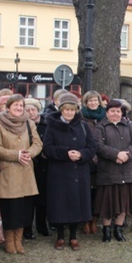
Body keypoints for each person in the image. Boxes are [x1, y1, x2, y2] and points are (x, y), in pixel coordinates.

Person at [43, 92, 97, 250]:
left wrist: (81, 154)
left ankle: (73, 236)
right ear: (61, 110)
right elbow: (47, 148)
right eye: (66, 110)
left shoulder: (83, 126)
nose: (69, 113)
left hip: (79, 170)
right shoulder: (52, 126)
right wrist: (65, 153)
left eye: (72, 110)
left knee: (76, 204)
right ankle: (60, 236)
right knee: (59, 204)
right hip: (59, 171)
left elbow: (92, 146)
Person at [0, 94, 43, 254]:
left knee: (23, 209)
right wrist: (16, 155)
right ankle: (9, 241)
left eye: (21, 106)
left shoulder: (29, 123)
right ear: (8, 108)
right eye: (16, 106)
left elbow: (38, 143)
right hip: (8, 172)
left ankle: (18, 240)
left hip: (26, 171)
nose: (19, 109)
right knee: (9, 210)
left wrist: (29, 153)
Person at [94, 100, 132, 242]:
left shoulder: (129, 126)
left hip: (126, 170)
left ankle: (118, 229)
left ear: (122, 113)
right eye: (112, 111)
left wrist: (126, 155)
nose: (115, 114)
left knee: (124, 202)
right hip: (108, 171)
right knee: (108, 202)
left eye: (118, 111)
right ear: (107, 112)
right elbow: (98, 146)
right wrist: (116, 155)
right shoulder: (100, 127)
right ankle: (106, 230)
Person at [80, 90, 106, 234]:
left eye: (95, 100)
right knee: (86, 192)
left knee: (98, 192)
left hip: (103, 160)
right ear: (86, 103)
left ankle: (95, 219)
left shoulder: (105, 117)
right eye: (90, 100)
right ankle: (85, 220)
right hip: (87, 159)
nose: (93, 103)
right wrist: (90, 154)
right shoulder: (81, 117)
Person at [25, 97, 50, 238]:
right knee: (29, 200)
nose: (30, 113)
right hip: (28, 164)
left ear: (37, 110)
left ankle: (42, 225)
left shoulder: (46, 125)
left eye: (33, 109)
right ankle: (27, 228)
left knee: (42, 199)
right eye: (27, 110)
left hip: (44, 165)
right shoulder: (23, 125)